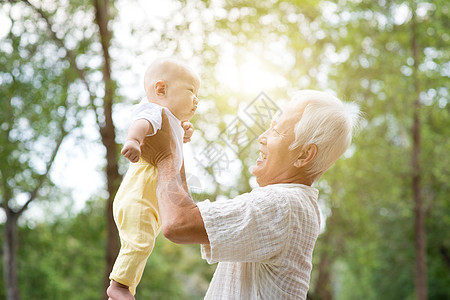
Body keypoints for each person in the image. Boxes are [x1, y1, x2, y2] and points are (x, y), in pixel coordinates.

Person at [132, 90, 359, 299]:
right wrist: (174, 147)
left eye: (277, 130)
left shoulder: (282, 204)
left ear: (304, 154)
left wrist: (166, 156)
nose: (262, 136)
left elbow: (178, 223)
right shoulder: (296, 206)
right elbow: (185, 215)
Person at [107, 58, 201, 300]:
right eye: (191, 91)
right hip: (138, 194)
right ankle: (117, 287)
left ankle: (125, 289)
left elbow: (171, 144)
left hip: (152, 199)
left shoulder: (170, 119)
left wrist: (183, 131)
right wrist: (133, 141)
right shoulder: (154, 110)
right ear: (161, 90)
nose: (196, 99)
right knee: (139, 242)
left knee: (143, 244)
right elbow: (142, 123)